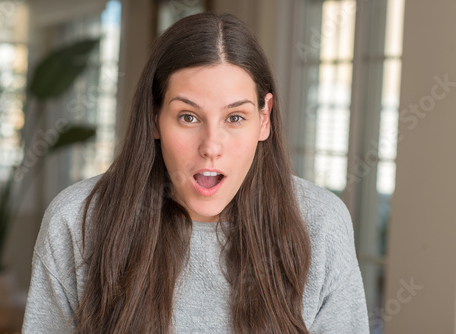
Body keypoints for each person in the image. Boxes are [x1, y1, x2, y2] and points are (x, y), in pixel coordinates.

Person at [22, 12, 369, 334]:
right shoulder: (76, 220)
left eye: (235, 118)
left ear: (264, 119)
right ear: (155, 116)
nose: (211, 146)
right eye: (188, 117)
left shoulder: (321, 224)